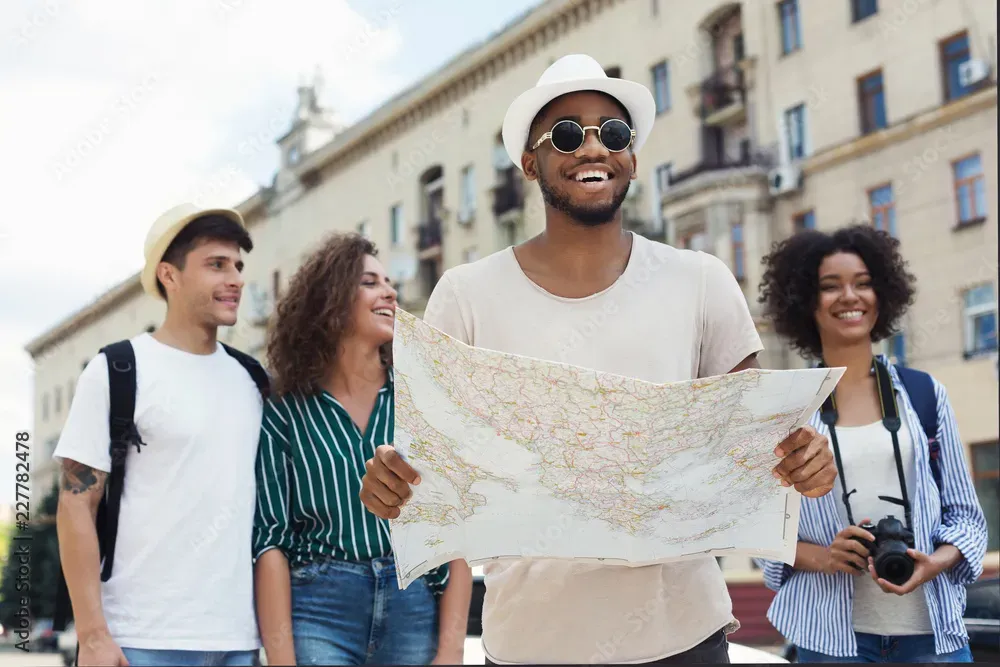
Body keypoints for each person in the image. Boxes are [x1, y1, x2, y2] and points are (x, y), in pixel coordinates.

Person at [357, 53, 838, 665]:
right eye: (564, 134)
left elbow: (756, 443)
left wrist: (804, 460)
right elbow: (432, 469)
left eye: (612, 133)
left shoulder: (701, 280)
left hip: (682, 635)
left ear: (632, 157)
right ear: (531, 162)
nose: (592, 149)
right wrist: (394, 483)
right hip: (532, 643)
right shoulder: (465, 294)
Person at [755, 224, 988, 663]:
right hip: (830, 639)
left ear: (883, 294)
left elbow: (967, 518)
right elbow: (762, 535)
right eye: (830, 286)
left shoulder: (924, 394)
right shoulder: (785, 412)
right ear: (805, 300)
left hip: (932, 633)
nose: (850, 296)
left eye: (863, 283)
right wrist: (826, 557)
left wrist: (932, 562)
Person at [54, 204, 265, 667]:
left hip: (238, 640)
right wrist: (92, 636)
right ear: (169, 275)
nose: (235, 279)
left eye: (238, 266)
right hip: (140, 640)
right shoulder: (115, 370)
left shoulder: (253, 379)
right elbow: (75, 503)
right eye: (216, 265)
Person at [251, 232, 471, 666]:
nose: (390, 291)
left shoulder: (421, 400)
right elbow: (270, 541)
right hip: (319, 608)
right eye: (369, 282)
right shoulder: (284, 409)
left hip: (414, 603)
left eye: (388, 282)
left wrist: (451, 651)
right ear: (329, 299)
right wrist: (281, 658)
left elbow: (458, 528)